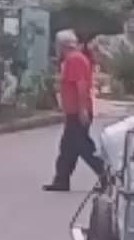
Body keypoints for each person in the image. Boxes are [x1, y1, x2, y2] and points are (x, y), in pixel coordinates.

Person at [44, 30, 106, 192]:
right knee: (67, 148)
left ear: (62, 45)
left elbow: (81, 86)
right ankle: (61, 180)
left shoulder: (74, 60)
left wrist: (82, 109)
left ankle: (108, 176)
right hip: (74, 111)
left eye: (56, 45)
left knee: (84, 148)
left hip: (78, 112)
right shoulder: (73, 59)